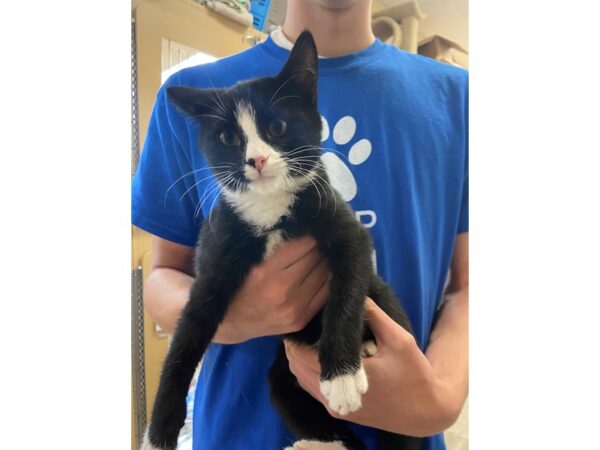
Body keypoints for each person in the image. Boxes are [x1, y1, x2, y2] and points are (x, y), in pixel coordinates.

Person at [131, 0, 468, 449]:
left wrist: (442, 397)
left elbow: (470, 285)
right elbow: (161, 276)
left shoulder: (461, 98)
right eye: (233, 140)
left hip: (403, 426)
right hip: (242, 429)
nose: (255, 155)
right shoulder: (190, 91)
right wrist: (232, 317)